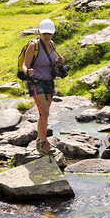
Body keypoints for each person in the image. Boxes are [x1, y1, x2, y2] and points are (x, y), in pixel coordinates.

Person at [22, 19, 65, 154]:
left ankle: (40, 140)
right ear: (40, 32)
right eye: (44, 33)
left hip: (49, 81)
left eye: (49, 33)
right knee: (44, 111)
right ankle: (42, 143)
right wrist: (27, 71)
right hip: (35, 81)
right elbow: (24, 64)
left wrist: (58, 63)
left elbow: (51, 65)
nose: (47, 36)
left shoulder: (52, 45)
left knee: (45, 114)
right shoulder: (33, 46)